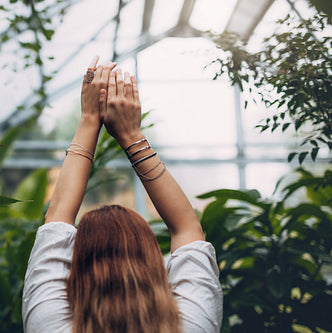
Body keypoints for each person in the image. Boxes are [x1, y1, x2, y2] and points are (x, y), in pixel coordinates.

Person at [22, 56, 223, 333]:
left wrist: (89, 118)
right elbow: (186, 227)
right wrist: (131, 134)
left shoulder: (50, 326)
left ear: (78, 267)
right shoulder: (190, 326)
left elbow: (57, 216)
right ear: (152, 262)